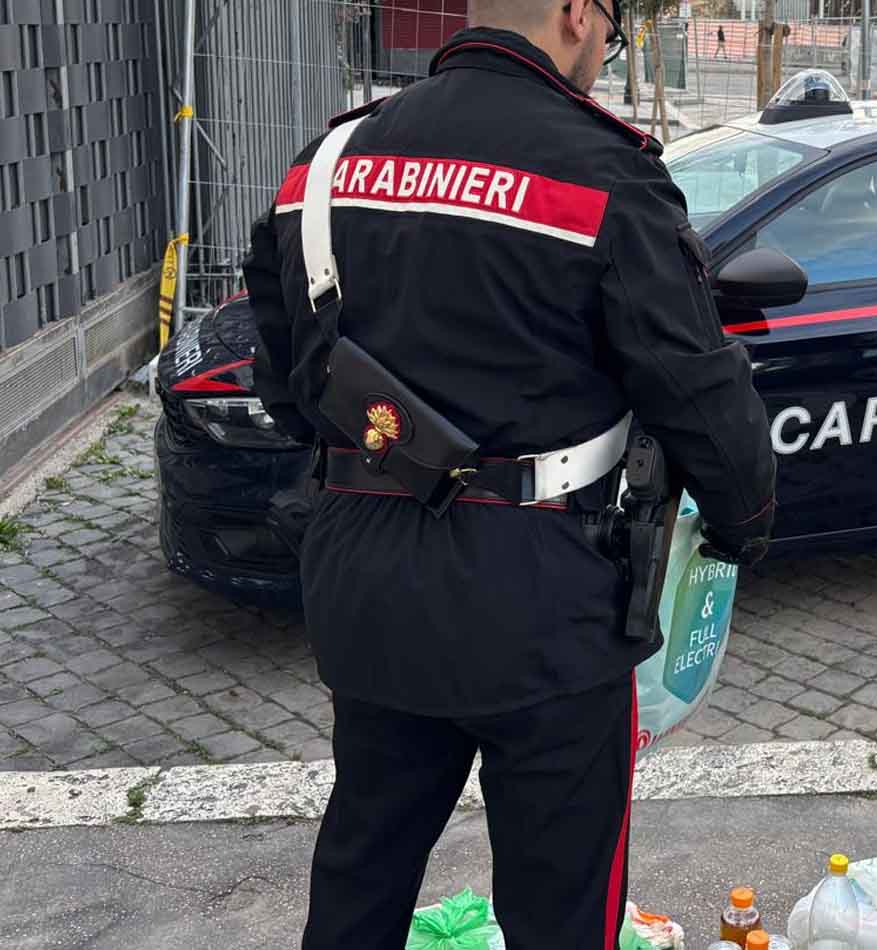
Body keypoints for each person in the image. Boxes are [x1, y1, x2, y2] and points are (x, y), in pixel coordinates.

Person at [241, 0, 777, 946]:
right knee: (560, 905)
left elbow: (287, 383)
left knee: (364, 866)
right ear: (577, 13)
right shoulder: (604, 171)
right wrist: (744, 521)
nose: (607, 50)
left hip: (364, 586)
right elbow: (697, 391)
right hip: (545, 606)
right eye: (610, 27)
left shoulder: (321, 166)